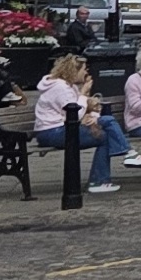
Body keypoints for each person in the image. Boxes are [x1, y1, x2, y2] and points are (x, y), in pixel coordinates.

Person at [34, 51, 124, 193]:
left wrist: (92, 116)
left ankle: (120, 157)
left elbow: (82, 111)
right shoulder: (60, 88)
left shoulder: (69, 87)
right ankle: (100, 179)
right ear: (73, 71)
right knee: (104, 136)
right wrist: (83, 94)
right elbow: (74, 114)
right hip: (52, 132)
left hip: (61, 128)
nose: (86, 72)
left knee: (104, 128)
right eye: (84, 69)